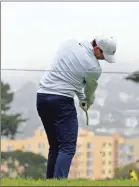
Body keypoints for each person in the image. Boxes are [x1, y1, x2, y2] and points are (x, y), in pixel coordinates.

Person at [36, 36, 117, 179]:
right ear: (97, 49)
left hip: (42, 98)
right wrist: (87, 101)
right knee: (67, 147)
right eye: (103, 56)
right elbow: (89, 91)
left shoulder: (68, 43)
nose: (103, 59)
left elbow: (72, 78)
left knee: (55, 146)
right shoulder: (94, 68)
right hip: (61, 102)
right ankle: (59, 183)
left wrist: (80, 98)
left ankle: (49, 182)